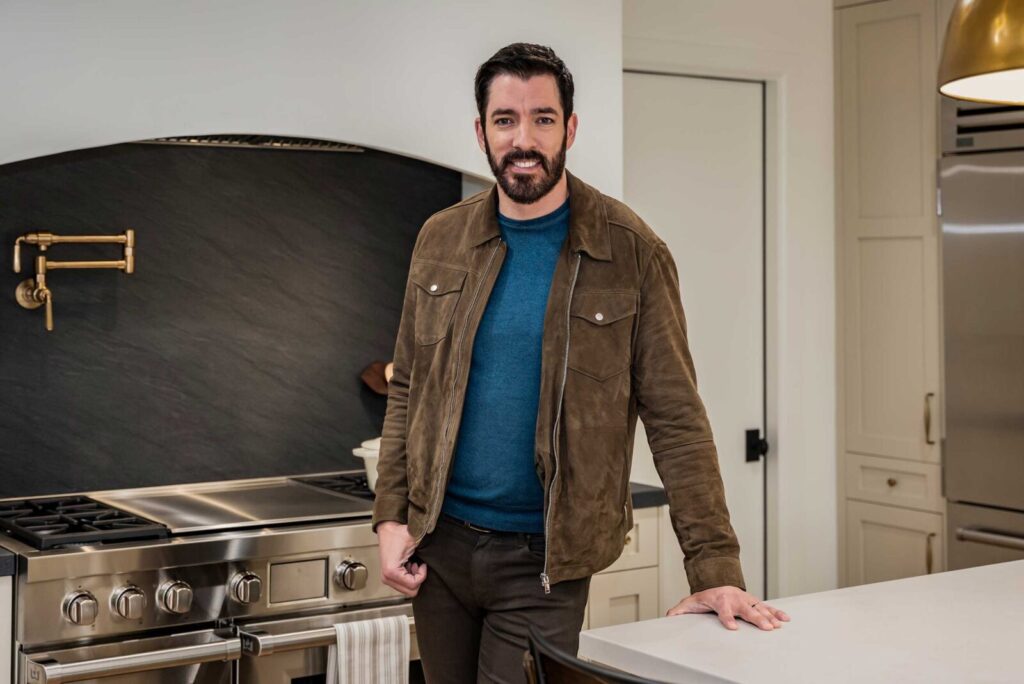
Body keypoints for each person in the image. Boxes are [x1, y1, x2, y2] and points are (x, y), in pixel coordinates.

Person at [372, 42, 789, 683]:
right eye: (506, 120)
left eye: (543, 118)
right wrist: (391, 518)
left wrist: (715, 572)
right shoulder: (441, 239)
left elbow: (677, 419)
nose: (524, 140)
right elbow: (409, 390)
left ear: (570, 128)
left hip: (543, 562)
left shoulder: (631, 252)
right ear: (480, 132)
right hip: (440, 549)